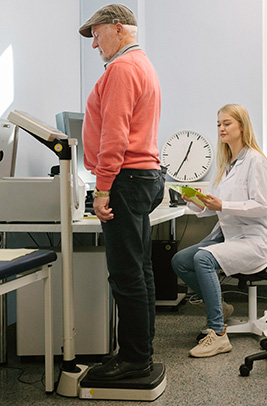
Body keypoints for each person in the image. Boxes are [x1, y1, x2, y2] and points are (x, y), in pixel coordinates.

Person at [79, 4, 164, 380]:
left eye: (96, 34)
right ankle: (138, 350)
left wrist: (101, 189)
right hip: (142, 177)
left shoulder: (121, 69)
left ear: (117, 29)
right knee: (140, 270)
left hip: (125, 179)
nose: (94, 44)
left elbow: (114, 136)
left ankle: (134, 358)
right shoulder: (142, 64)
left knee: (126, 274)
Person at [171, 104, 267, 358]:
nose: (221, 128)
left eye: (227, 123)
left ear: (242, 126)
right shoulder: (226, 164)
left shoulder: (256, 160)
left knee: (203, 258)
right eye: (218, 123)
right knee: (180, 261)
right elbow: (215, 207)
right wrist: (195, 200)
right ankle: (220, 306)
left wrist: (223, 204)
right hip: (232, 236)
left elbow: (261, 207)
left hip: (256, 240)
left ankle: (218, 333)